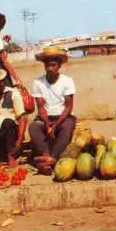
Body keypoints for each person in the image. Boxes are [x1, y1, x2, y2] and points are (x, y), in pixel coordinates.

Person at [28, 47, 76, 175]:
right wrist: (48, 124)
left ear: (59, 66)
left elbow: (68, 107)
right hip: (45, 118)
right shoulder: (38, 82)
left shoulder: (67, 81)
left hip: (64, 117)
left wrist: (56, 124)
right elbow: (41, 107)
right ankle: (47, 156)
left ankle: (52, 158)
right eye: (47, 65)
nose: (50, 68)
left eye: (53, 65)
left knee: (66, 128)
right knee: (34, 128)